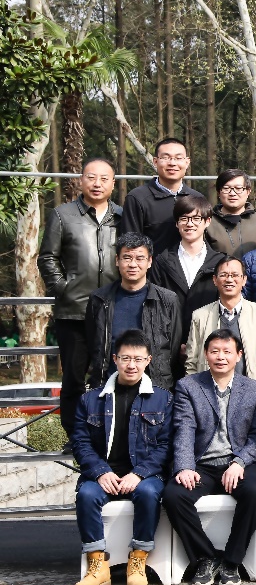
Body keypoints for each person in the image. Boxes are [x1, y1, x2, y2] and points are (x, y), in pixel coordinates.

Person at [163, 329, 256, 585]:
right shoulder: (189, 386)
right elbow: (184, 428)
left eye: (227, 351)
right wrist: (185, 466)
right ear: (205, 354)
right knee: (174, 495)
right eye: (215, 351)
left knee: (255, 492)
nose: (221, 357)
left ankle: (232, 561)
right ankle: (206, 558)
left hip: (239, 462)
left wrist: (239, 462)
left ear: (238, 355)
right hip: (202, 464)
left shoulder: (255, 390)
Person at [70, 330, 173, 585]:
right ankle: (97, 565)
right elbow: (80, 443)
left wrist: (138, 474)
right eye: (125, 358)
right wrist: (100, 472)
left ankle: (138, 560)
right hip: (103, 474)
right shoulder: (90, 399)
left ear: (148, 360)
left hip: (144, 474)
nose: (131, 365)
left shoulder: (163, 398)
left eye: (138, 359)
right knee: (86, 495)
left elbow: (166, 445)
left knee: (148, 493)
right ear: (115, 359)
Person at [39, 157, 121, 436]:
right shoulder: (63, 215)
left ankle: (107, 436)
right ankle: (75, 437)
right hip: (73, 311)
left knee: (110, 376)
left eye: (104, 178)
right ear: (81, 180)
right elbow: (48, 258)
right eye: (91, 177)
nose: (97, 183)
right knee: (74, 379)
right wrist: (63, 287)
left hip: (112, 310)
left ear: (113, 183)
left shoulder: (122, 217)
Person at [85, 233, 183, 390]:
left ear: (149, 261)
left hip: (155, 388)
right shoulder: (99, 299)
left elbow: (173, 348)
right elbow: (93, 343)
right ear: (117, 260)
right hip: (108, 385)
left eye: (139, 258)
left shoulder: (168, 300)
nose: (133, 264)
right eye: (127, 258)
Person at [184, 258, 256, 385]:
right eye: (223, 275)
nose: (229, 279)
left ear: (244, 280)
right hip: (208, 391)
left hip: (253, 392)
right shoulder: (200, 316)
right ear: (215, 280)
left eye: (235, 275)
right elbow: (191, 362)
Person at [151, 195, 226, 349]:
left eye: (196, 218)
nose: (189, 224)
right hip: (169, 347)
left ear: (207, 221)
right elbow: (155, 308)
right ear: (177, 223)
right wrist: (173, 344)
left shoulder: (221, 263)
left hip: (209, 347)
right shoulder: (162, 261)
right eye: (184, 219)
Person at [122, 137, 203, 253]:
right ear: (155, 162)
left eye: (178, 158)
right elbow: (131, 245)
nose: (172, 163)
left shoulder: (197, 199)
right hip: (153, 264)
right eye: (165, 158)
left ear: (187, 162)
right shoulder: (137, 198)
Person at [209, 169, 256, 259]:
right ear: (219, 192)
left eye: (238, 188)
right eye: (226, 188)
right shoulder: (208, 223)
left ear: (248, 191)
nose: (232, 193)